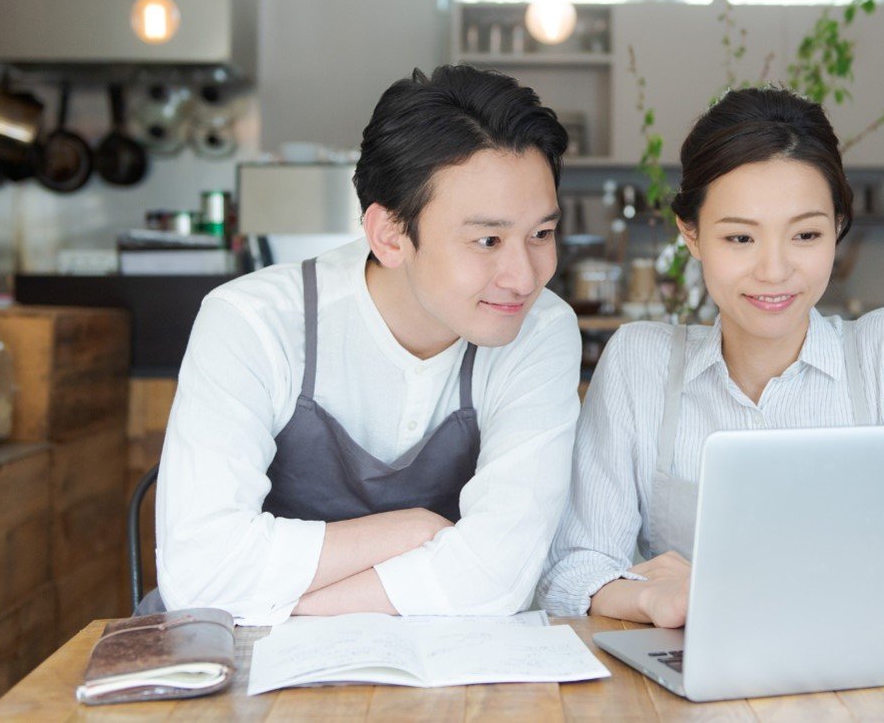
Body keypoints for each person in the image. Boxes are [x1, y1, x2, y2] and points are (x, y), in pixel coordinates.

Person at [150, 65, 581, 624]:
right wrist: (409, 531)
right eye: (487, 240)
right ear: (390, 235)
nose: (524, 277)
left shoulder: (540, 329)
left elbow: (500, 578)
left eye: (541, 235)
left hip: (435, 675)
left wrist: (293, 604)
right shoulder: (255, 323)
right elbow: (198, 574)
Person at [537, 86, 884, 627]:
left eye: (806, 234)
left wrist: (732, 587)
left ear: (837, 229)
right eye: (740, 239)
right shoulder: (639, 363)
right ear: (691, 234)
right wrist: (652, 598)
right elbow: (573, 571)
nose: (775, 271)